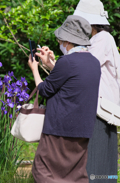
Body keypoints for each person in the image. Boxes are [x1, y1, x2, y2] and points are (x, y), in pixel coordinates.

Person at [28, 15, 101, 183]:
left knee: (44, 171)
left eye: (61, 40)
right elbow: (71, 81)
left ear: (68, 41)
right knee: (75, 175)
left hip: (59, 129)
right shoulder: (93, 62)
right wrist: (51, 64)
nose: (60, 43)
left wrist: (35, 69)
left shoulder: (67, 62)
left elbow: (45, 90)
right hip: (83, 129)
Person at [73, 0, 120, 182]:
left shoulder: (102, 39)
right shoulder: (95, 40)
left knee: (96, 165)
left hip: (99, 110)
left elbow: (84, 66)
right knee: (103, 164)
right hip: (99, 109)